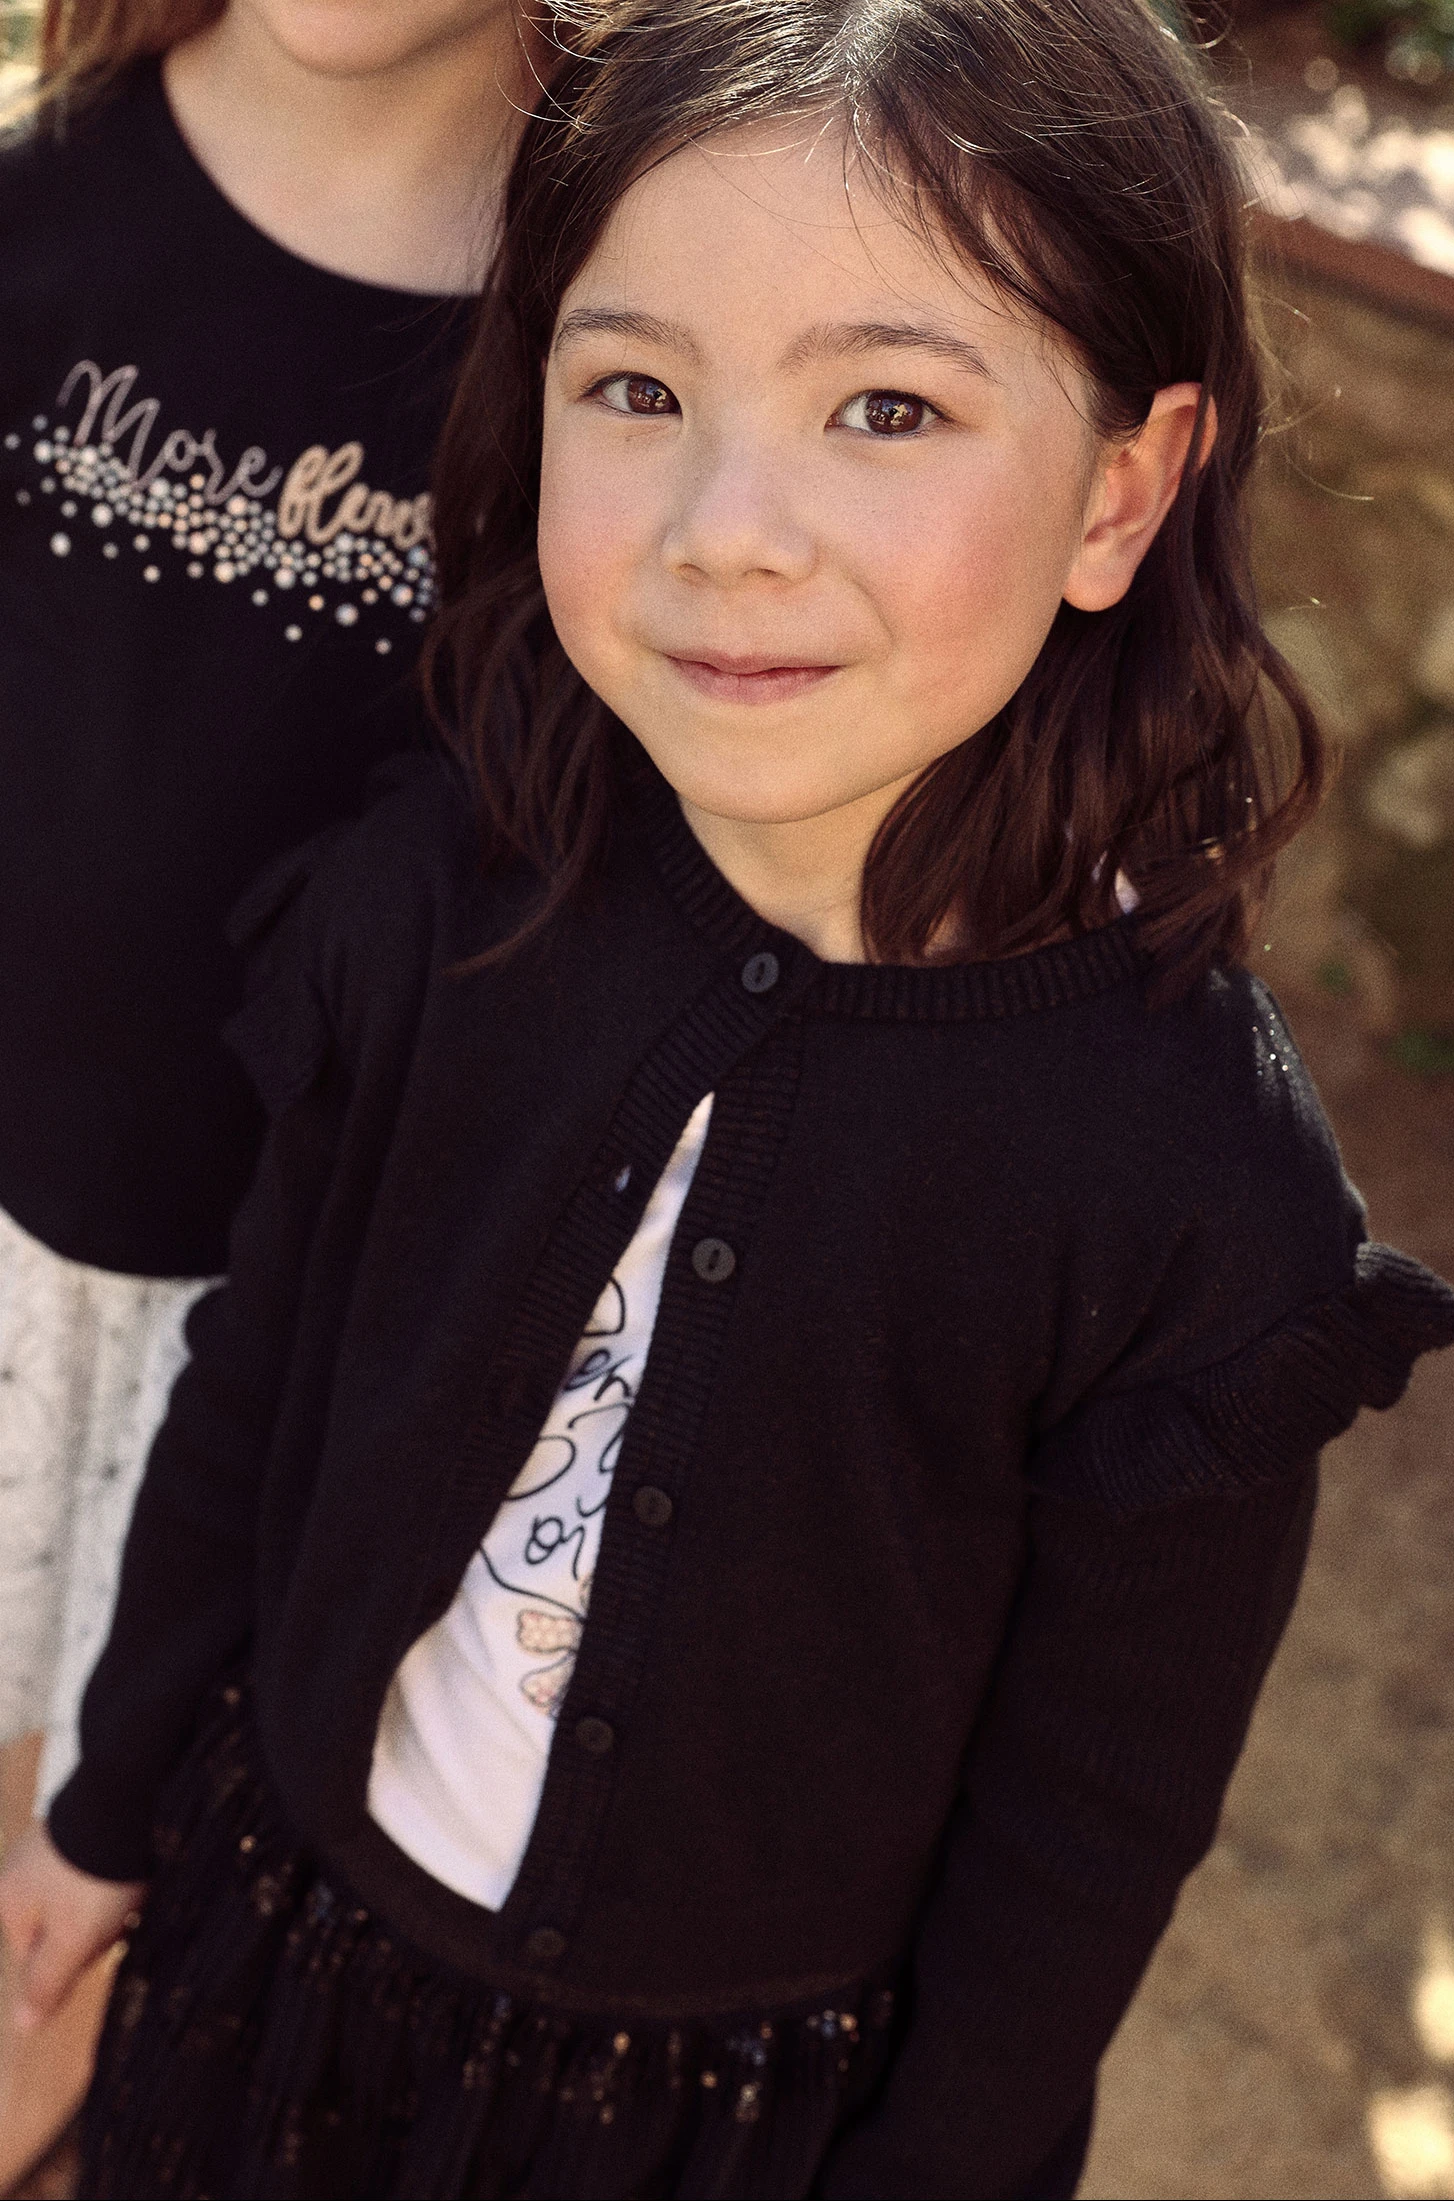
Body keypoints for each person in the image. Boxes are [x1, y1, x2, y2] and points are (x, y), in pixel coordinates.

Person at [4, 0, 1454, 2194]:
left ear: (1121, 487)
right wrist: (107, 1808)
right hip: (259, 1964)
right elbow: (258, 1381)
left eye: (886, 407)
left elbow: (1084, 1829)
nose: (728, 528)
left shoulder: (1193, 1196)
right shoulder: (441, 892)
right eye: (637, 390)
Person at [0, 0, 541, 2178]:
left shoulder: (630, 301)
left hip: (312, 1332)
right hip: (8, 1257)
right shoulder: (46, 198)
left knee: (104, 1890)